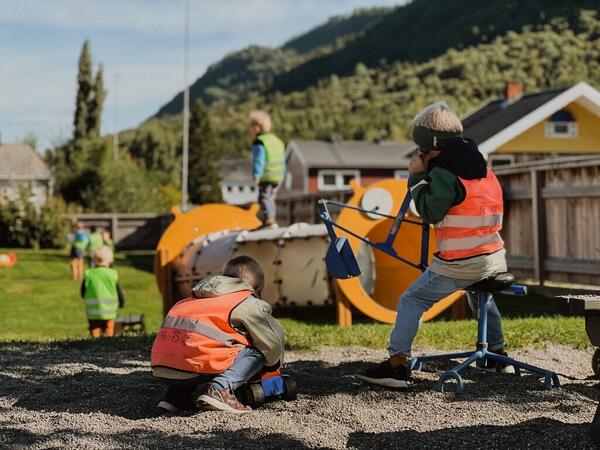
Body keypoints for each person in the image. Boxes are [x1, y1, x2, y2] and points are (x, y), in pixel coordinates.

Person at [356, 102, 511, 388]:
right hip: (494, 257)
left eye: (421, 150)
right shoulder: (482, 168)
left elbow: (429, 212)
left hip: (461, 263)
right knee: (479, 293)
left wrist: (416, 177)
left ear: (433, 148)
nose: (420, 154)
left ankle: (397, 365)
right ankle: (496, 355)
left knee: (412, 299)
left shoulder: (444, 172)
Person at [151, 255, 285, 414]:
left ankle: (175, 397)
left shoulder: (192, 298)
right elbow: (273, 340)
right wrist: (272, 365)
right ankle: (219, 389)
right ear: (258, 291)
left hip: (163, 366)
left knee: (197, 346)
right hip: (197, 363)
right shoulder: (245, 299)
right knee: (259, 350)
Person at [249, 110, 286, 228]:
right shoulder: (277, 141)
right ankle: (269, 219)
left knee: (264, 198)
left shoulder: (260, 142)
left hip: (267, 175)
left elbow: (259, 160)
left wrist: (257, 174)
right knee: (270, 198)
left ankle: (269, 220)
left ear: (257, 127)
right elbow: (282, 159)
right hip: (278, 175)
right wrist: (282, 174)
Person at [80, 246, 125, 337]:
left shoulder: (89, 273)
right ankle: (107, 346)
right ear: (110, 260)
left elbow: (82, 291)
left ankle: (95, 344)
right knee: (108, 329)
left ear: (94, 260)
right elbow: (119, 292)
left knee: (94, 329)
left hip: (92, 312)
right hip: (109, 312)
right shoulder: (112, 274)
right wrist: (121, 303)